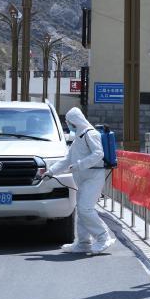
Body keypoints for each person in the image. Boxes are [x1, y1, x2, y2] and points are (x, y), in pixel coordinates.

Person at [47, 107, 116, 254]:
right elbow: (67, 159)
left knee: (85, 208)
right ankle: (83, 243)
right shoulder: (78, 137)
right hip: (83, 179)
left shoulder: (91, 134)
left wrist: (79, 165)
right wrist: (51, 171)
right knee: (82, 210)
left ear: (75, 121)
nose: (68, 125)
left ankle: (103, 237)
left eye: (69, 122)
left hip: (93, 178)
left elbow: (98, 154)